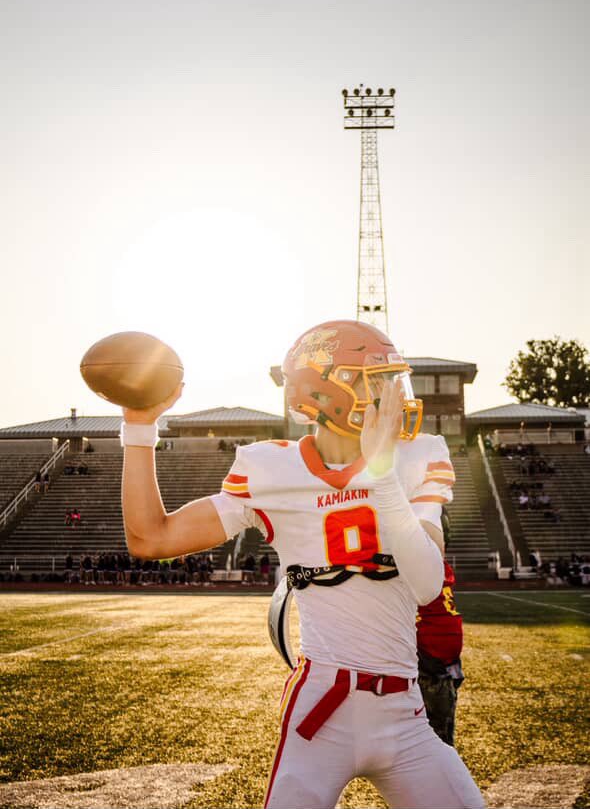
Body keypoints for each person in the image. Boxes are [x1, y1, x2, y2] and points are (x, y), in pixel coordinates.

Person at [120, 320, 484, 809]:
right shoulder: (270, 468)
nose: (395, 395)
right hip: (321, 714)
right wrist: (139, 426)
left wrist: (380, 473)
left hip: (405, 714)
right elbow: (151, 537)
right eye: (377, 382)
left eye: (394, 380)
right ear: (324, 391)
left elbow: (426, 582)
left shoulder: (418, 455)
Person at [416, 513, 464, 748]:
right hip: (428, 667)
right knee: (432, 745)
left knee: (443, 740)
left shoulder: (439, 566)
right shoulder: (413, 567)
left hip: (444, 667)